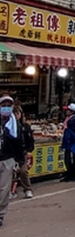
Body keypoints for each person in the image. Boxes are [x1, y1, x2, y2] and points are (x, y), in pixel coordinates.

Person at [0, 95, 21, 227]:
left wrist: (19, 161)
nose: (6, 108)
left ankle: (0, 214)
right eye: (3, 105)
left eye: (9, 105)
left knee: (4, 189)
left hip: (7, 159)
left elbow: (19, 143)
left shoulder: (15, 124)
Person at [10, 106, 35, 200]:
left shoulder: (25, 127)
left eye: (18, 113)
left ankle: (27, 189)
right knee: (10, 173)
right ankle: (11, 191)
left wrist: (29, 150)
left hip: (22, 153)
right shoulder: (8, 126)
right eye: (14, 113)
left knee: (23, 172)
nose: (16, 115)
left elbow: (30, 141)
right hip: (11, 154)